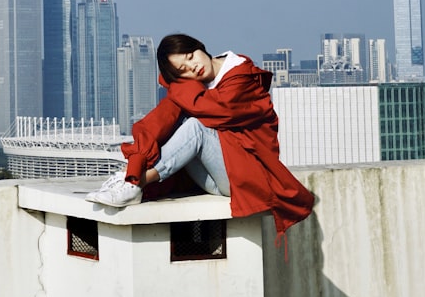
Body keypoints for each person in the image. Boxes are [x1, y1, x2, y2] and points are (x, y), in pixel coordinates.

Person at [86, 33, 314, 240]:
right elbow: (161, 120)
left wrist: (177, 86)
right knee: (177, 118)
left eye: (190, 56)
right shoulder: (196, 87)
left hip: (247, 177)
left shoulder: (240, 76)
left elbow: (218, 111)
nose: (192, 67)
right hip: (218, 177)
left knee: (195, 125)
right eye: (182, 70)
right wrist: (138, 158)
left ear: (200, 47)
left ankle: (136, 182)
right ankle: (131, 176)